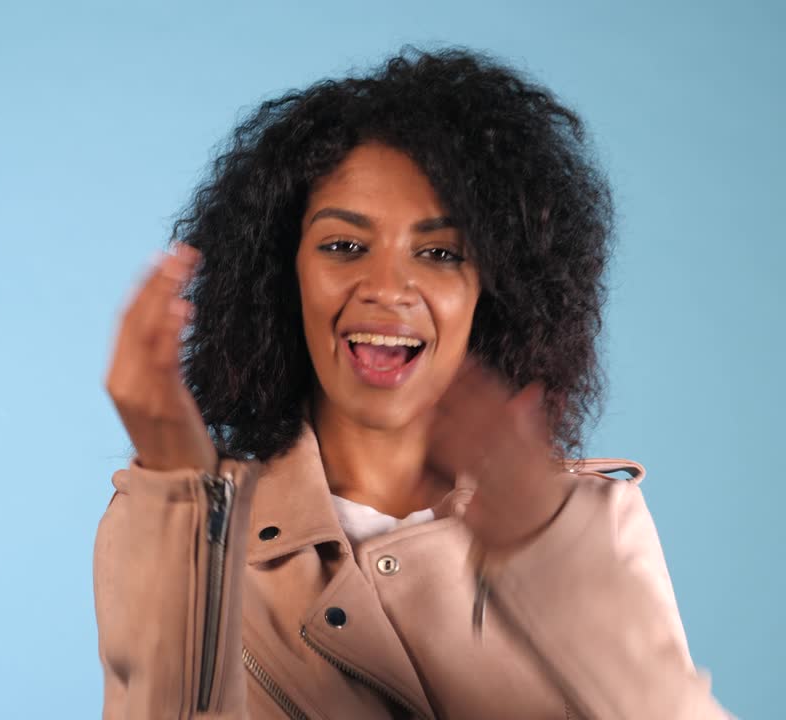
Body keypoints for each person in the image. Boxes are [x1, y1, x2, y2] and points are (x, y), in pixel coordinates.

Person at [95, 47, 731, 719]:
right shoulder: (188, 525)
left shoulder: (589, 522)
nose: (388, 288)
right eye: (344, 246)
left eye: (439, 253)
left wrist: (544, 551)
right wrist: (182, 489)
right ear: (285, 273)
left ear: (495, 290)